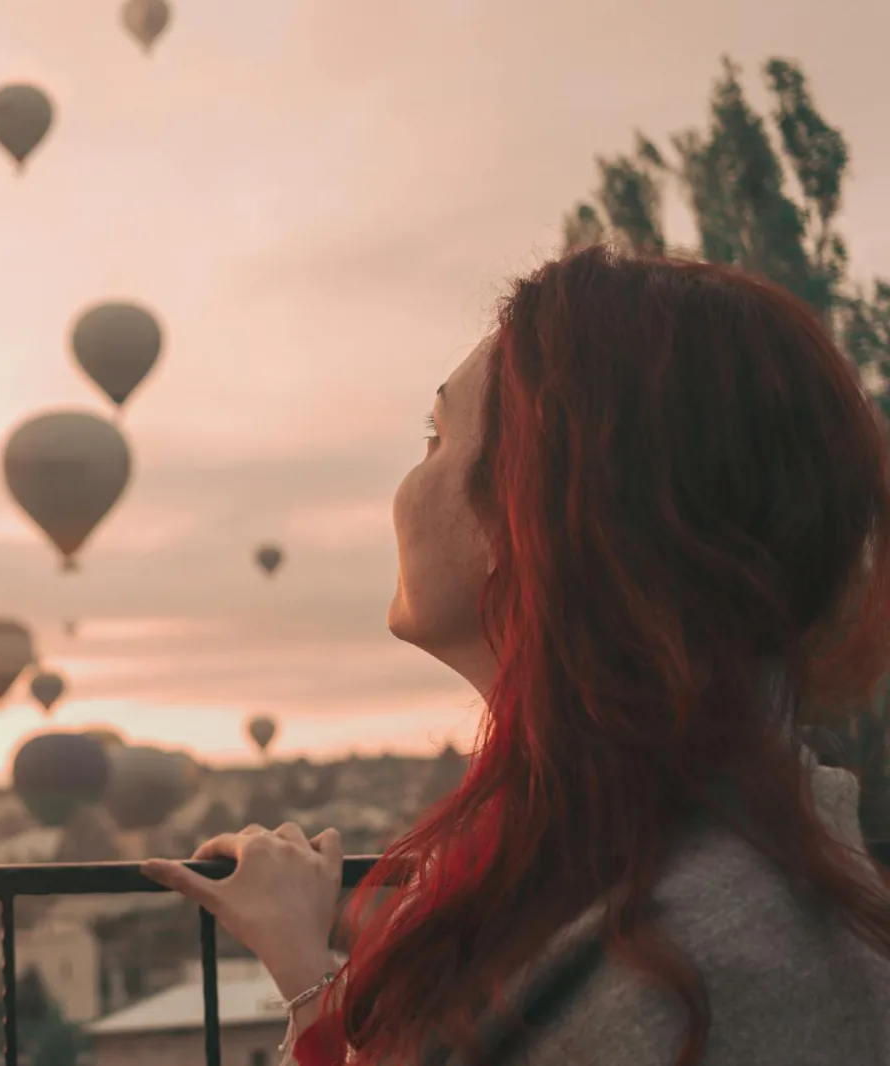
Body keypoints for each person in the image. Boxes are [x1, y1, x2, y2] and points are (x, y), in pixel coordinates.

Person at [143, 245, 890, 1065]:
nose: (404, 488)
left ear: (532, 507)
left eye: (436, 437)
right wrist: (302, 960)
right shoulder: (617, 868)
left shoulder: (710, 973)